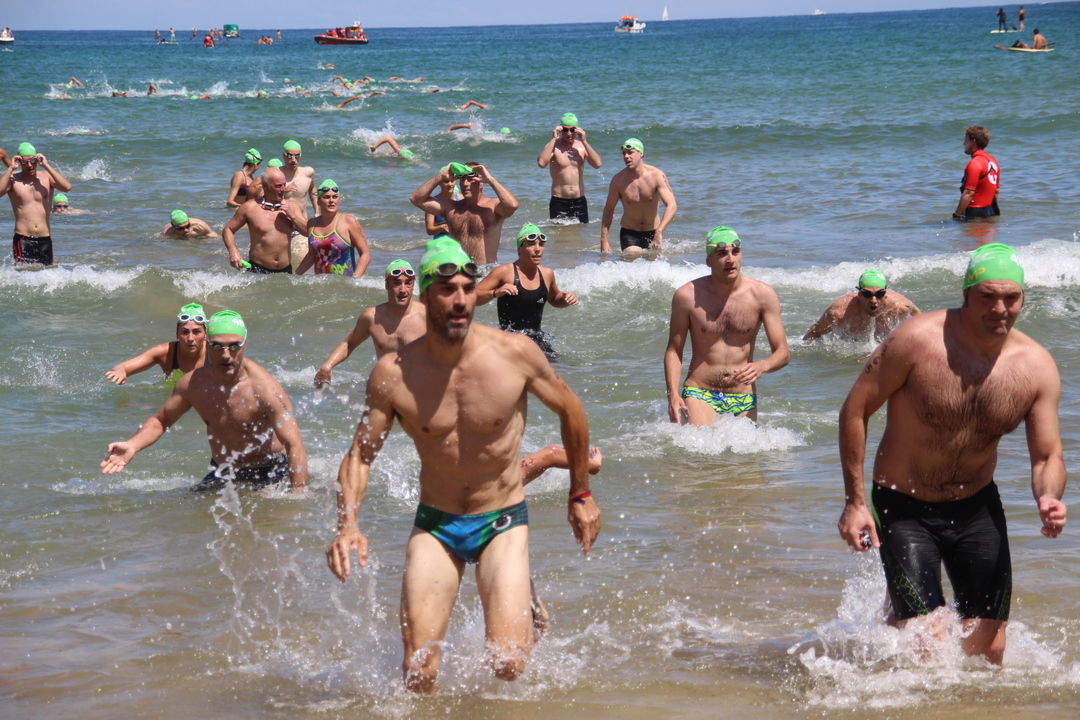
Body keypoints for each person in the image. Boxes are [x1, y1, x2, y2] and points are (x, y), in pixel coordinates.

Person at [325, 238, 600, 693]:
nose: (459, 300)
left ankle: (521, 595)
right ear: (425, 295)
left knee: (508, 665)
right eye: (447, 289)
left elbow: (571, 409)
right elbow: (360, 454)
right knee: (418, 674)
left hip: (502, 519)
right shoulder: (394, 373)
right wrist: (347, 525)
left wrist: (581, 494)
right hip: (437, 523)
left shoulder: (514, 354)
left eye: (468, 289)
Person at [837, 243, 1066, 664]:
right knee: (927, 644)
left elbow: (1047, 457)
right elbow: (855, 410)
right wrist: (854, 502)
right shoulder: (916, 339)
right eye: (987, 296)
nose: (1000, 308)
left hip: (976, 507)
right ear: (966, 294)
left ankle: (902, 613)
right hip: (903, 505)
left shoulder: (1036, 366)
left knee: (988, 649)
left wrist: (1048, 496)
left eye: (1011, 297)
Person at [102, 311, 309, 493]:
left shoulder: (266, 389)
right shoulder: (193, 384)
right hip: (224, 470)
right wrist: (133, 444)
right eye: (217, 346)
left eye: (234, 346)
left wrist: (298, 491)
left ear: (245, 345)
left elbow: (294, 444)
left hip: (271, 469)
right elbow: (161, 420)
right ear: (207, 345)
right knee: (190, 509)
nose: (225, 354)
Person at [665, 227, 789, 426]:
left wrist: (762, 366)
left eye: (735, 252)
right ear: (709, 260)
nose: (730, 259)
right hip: (699, 391)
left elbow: (783, 353)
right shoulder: (687, 296)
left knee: (745, 448)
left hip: (743, 396)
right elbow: (674, 350)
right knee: (703, 444)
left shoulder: (763, 295)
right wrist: (672, 394)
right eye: (722, 253)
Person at [314, 259, 428, 386]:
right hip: (386, 386)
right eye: (396, 283)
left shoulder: (427, 315)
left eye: (408, 283)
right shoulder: (371, 317)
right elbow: (349, 344)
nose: (403, 289)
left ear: (413, 286)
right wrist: (327, 367)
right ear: (387, 285)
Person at [476, 223, 579, 357]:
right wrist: (495, 293)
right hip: (509, 342)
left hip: (536, 340)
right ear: (519, 249)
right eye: (531, 244)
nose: (537, 249)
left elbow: (555, 299)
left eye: (541, 245)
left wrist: (565, 298)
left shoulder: (547, 273)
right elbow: (472, 296)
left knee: (560, 366)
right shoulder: (505, 272)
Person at [409, 162, 519, 264]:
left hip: (485, 271)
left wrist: (491, 180)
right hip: (459, 273)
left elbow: (512, 205)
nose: (465, 184)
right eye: (462, 180)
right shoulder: (451, 207)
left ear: (481, 183)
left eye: (470, 180)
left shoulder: (492, 207)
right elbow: (416, 199)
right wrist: (441, 177)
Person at [222, 167, 308, 273]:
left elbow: (308, 232)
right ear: (265, 187)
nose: (283, 189)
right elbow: (228, 229)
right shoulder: (249, 207)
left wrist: (293, 216)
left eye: (284, 184)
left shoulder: (292, 206)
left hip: (285, 270)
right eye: (278, 186)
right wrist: (233, 252)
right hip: (257, 270)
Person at [0, 142, 73, 267]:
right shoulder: (13, 180)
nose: (29, 165)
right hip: (23, 238)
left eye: (33, 161)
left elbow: (67, 187)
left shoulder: (47, 177)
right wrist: (10, 168)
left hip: (45, 238)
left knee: (47, 273)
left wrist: (46, 165)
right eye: (25, 161)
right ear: (19, 162)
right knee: (23, 274)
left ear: (37, 160)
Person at [600, 138, 677, 253]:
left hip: (653, 232)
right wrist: (604, 240)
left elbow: (672, 205)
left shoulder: (657, 176)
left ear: (641, 154)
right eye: (624, 154)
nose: (626, 156)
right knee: (633, 254)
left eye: (630, 153)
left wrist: (659, 232)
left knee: (653, 262)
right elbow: (609, 210)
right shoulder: (618, 180)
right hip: (629, 233)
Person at [803, 269, 920, 342]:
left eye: (879, 294)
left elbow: (922, 322)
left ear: (885, 294)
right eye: (867, 294)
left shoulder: (901, 307)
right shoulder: (839, 313)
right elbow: (814, 332)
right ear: (859, 295)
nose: (873, 300)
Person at [106, 303, 209, 385]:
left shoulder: (214, 353)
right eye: (185, 332)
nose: (190, 338)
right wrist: (120, 372)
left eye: (196, 332)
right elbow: (122, 367)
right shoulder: (165, 353)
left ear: (205, 335)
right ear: (177, 334)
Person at [295, 179, 371, 277]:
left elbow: (365, 254)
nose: (331, 200)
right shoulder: (312, 224)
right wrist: (295, 275)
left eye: (335, 197)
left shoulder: (349, 222)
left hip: (345, 282)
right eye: (326, 197)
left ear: (339, 200)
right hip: (321, 283)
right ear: (318, 201)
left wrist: (355, 279)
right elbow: (312, 255)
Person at [537, 113, 602, 224]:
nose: (569, 133)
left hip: (579, 201)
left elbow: (597, 164)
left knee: (582, 233)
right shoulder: (553, 146)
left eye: (572, 130)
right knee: (560, 234)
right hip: (559, 201)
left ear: (577, 130)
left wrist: (584, 141)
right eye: (565, 130)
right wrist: (553, 139)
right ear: (560, 130)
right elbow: (541, 163)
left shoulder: (582, 147)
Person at [281, 140, 318, 268]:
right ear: (284, 156)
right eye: (289, 155)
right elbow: (263, 198)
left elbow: (312, 189)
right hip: (280, 227)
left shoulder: (308, 173)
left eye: (297, 156)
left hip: (300, 226)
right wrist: (283, 191)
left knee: (300, 260)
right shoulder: (277, 175)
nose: (293, 159)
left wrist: (317, 211)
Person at [953, 126, 1000, 220]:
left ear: (973, 141)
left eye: (966, 140)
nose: (964, 143)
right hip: (991, 211)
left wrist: (957, 215)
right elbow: (996, 191)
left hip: (974, 213)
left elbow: (968, 192)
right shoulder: (993, 161)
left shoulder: (975, 163)